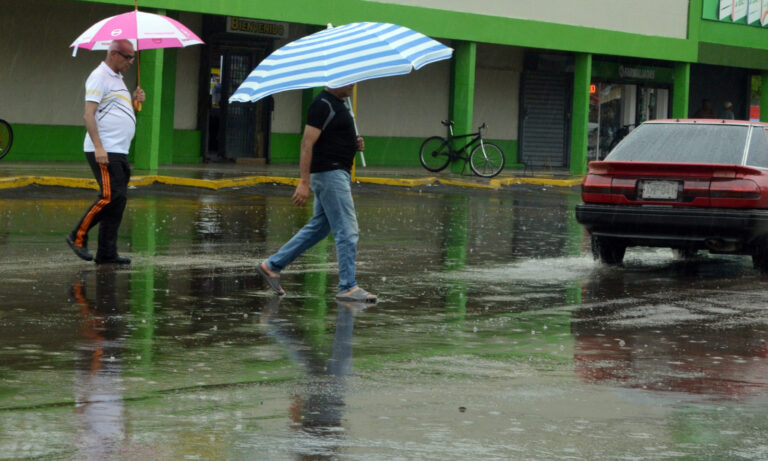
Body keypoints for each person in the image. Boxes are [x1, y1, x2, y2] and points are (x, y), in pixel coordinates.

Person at [256, 84, 377, 303]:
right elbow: (306, 144)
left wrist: (354, 143)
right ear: (334, 81)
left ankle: (272, 266)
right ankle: (348, 286)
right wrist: (303, 182)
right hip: (330, 175)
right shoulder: (322, 105)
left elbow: (331, 138)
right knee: (348, 231)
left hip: (334, 172)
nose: (352, 85)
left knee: (319, 228)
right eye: (348, 81)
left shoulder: (337, 105)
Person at [66, 40, 145, 265]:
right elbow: (88, 115)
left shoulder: (117, 79)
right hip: (105, 149)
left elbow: (115, 111)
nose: (131, 62)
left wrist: (135, 101)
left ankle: (107, 252)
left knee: (118, 201)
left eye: (133, 57)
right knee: (111, 196)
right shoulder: (99, 76)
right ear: (113, 54)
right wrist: (99, 147)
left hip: (119, 149)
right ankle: (77, 236)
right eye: (127, 57)